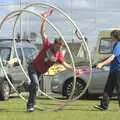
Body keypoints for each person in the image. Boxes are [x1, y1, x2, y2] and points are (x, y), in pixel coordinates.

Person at [26, 8, 75, 112]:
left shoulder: (59, 55)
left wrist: (74, 69)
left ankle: (27, 88)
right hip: (33, 67)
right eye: (58, 47)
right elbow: (42, 32)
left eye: (61, 47)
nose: (59, 49)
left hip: (40, 71)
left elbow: (65, 64)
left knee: (34, 86)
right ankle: (30, 106)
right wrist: (43, 19)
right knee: (35, 84)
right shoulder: (47, 44)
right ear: (54, 44)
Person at [95, 30, 120, 110]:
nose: (110, 37)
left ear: (115, 36)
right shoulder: (116, 44)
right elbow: (113, 56)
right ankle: (104, 106)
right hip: (113, 71)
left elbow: (113, 57)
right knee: (108, 88)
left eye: (111, 36)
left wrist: (102, 64)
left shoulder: (119, 44)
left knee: (119, 89)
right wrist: (102, 60)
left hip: (118, 71)